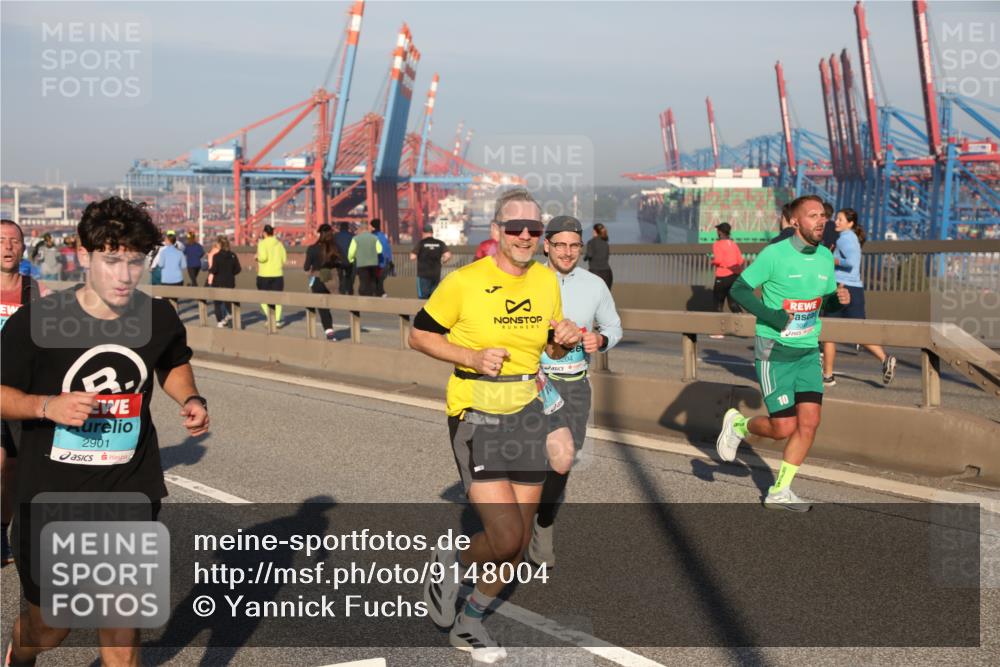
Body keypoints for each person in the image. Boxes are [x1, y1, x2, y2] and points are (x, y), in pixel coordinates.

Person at [1, 196, 209, 666]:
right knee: (50, 628)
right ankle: (21, 651)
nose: (124, 274)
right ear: (84, 255)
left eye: (135, 262)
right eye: (111, 260)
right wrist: (45, 404)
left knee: (120, 630)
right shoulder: (39, 321)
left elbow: (173, 362)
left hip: (128, 490)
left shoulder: (157, 318)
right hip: (49, 497)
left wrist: (190, 398)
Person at [409, 189, 581, 663]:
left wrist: (564, 341)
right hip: (476, 412)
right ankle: (451, 561)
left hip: (528, 410)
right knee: (503, 537)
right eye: (515, 228)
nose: (525, 236)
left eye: (534, 229)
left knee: (519, 543)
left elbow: (548, 350)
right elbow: (418, 334)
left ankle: (470, 622)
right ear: (496, 233)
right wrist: (469, 356)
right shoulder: (464, 282)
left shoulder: (546, 282)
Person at [716, 194, 850, 511]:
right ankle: (738, 425)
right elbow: (738, 289)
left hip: (807, 351)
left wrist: (837, 299)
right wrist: (773, 316)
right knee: (784, 428)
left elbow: (823, 301)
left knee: (810, 423)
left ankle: (780, 490)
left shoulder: (823, 258)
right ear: (794, 222)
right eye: (813, 215)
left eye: (824, 216)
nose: (821, 221)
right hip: (775, 350)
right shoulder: (774, 255)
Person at [529, 215, 623, 568]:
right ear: (547, 246)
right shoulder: (529, 280)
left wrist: (601, 339)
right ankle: (520, 525)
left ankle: (543, 523)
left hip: (574, 384)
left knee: (562, 462)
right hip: (533, 381)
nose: (567, 252)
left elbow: (614, 327)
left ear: (581, 248)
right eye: (560, 245)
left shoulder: (595, 284)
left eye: (574, 246)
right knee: (530, 458)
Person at [0, 220, 49, 568]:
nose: (8, 247)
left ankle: (4, 530)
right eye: (1, 240)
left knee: (14, 467)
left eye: (14, 241)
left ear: (23, 247)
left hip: (20, 391)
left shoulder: (34, 290)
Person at [821, 208, 896, 387]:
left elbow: (851, 262)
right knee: (858, 332)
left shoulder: (846, 238)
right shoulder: (851, 239)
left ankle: (828, 376)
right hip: (855, 288)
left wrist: (832, 260)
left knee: (829, 332)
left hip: (841, 287)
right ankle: (885, 359)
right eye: (836, 219)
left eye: (840, 219)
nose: (836, 222)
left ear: (850, 223)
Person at [303, 224, 341, 340]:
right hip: (330, 279)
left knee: (322, 308)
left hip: (318, 280)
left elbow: (306, 267)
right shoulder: (335, 248)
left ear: (319, 233)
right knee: (327, 306)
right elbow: (343, 263)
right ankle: (329, 329)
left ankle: (329, 331)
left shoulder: (312, 248)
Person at [710, 222, 744, 337]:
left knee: (717, 304)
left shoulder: (717, 244)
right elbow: (740, 261)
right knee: (733, 303)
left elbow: (718, 260)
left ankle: (719, 331)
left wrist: (713, 261)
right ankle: (743, 328)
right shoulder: (733, 244)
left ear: (720, 232)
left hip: (723, 276)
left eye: (717, 230)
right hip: (735, 276)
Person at [255, 224, 287, 327]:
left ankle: (270, 317)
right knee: (277, 299)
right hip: (278, 274)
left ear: (264, 233)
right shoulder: (279, 244)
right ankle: (277, 320)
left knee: (263, 297)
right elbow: (284, 259)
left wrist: (257, 257)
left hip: (264, 274)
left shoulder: (262, 243)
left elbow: (263, 257)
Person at [208, 234, 241, 328]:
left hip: (218, 282)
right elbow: (238, 269)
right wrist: (231, 273)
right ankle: (230, 315)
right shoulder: (233, 255)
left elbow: (214, 270)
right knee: (229, 300)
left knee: (218, 303)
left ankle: (220, 321)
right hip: (230, 282)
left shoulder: (216, 256)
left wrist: (210, 270)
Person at [410, 225, 450, 299]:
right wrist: (443, 262)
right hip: (435, 274)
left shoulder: (421, 243)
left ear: (423, 233)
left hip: (423, 274)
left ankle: (424, 310)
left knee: (423, 298)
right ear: (432, 233)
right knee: (433, 298)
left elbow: (412, 257)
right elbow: (447, 255)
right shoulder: (440, 243)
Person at [347, 220, 383, 297]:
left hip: (361, 263)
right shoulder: (375, 237)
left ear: (360, 228)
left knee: (363, 280)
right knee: (372, 280)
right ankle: (373, 295)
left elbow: (351, 252)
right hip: (373, 262)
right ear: (367, 228)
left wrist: (351, 260)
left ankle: (364, 296)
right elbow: (379, 250)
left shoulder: (355, 238)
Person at [584, 223, 612, 289]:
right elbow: (606, 257)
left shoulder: (591, 242)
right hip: (607, 273)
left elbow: (589, 255)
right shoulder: (605, 243)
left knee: (593, 296)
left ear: (594, 231)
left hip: (595, 272)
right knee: (605, 297)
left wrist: (585, 258)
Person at [370, 218, 393, 298]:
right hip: (382, 261)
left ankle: (378, 292)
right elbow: (387, 249)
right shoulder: (383, 236)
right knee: (380, 278)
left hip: (373, 261)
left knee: (374, 278)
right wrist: (390, 261)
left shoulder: (371, 236)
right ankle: (381, 292)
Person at [333, 223, 355, 295]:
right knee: (349, 275)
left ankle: (341, 290)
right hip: (349, 259)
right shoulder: (352, 236)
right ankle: (349, 290)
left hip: (338, 260)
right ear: (347, 228)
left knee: (340, 275)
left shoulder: (335, 236)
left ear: (340, 228)